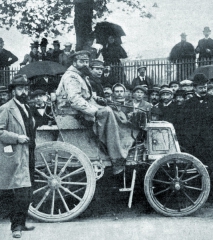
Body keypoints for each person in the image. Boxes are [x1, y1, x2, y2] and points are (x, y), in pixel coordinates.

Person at [56, 51, 135, 175]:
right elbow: (75, 99)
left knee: (113, 110)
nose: (85, 64)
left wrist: (97, 98)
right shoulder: (71, 76)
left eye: (86, 61)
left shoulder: (80, 75)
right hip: (72, 112)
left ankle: (120, 144)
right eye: (81, 61)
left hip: (79, 109)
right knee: (107, 112)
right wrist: (95, 111)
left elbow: (85, 93)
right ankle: (116, 156)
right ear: (74, 62)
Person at [0, 74, 35, 238]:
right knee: (20, 191)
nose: (24, 92)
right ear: (13, 91)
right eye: (20, 89)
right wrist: (17, 138)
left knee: (28, 190)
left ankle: (22, 222)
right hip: (16, 152)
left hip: (29, 151)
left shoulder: (27, 107)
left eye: (26, 88)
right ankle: (16, 227)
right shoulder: (6, 108)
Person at [182, 73, 213, 172]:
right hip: (195, 142)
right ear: (194, 88)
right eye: (201, 88)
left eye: (205, 87)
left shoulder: (212, 100)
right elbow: (185, 123)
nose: (204, 90)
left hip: (210, 141)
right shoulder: (188, 103)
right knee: (197, 168)